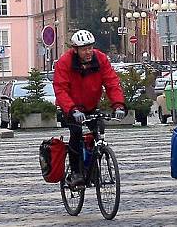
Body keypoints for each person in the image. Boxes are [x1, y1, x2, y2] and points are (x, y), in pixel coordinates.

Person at [53, 30, 126, 186]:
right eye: (84, 49)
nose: (88, 52)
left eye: (90, 47)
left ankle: (94, 168)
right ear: (75, 49)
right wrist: (72, 109)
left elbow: (112, 82)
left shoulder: (100, 59)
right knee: (76, 134)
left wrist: (118, 105)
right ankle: (76, 173)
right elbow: (60, 89)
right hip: (72, 107)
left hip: (91, 105)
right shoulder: (65, 62)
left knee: (98, 132)